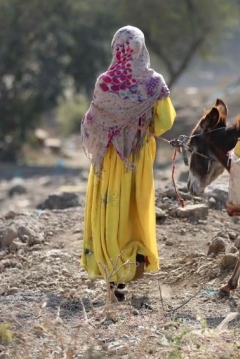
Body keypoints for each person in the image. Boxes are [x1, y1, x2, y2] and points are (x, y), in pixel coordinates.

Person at [80, 26, 176, 301]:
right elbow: (165, 122)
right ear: (140, 49)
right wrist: (141, 127)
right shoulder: (153, 83)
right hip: (135, 159)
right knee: (133, 210)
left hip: (106, 161)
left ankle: (112, 276)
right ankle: (129, 267)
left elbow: (91, 122)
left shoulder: (104, 82)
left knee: (109, 211)